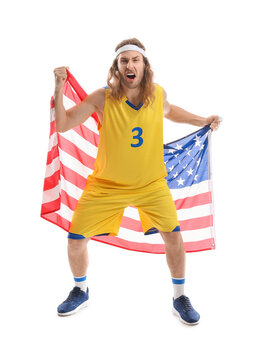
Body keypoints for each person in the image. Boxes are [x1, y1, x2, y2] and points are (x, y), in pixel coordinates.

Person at [53, 38, 221, 325]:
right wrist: (58, 90)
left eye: (135, 60)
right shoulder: (102, 97)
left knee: (174, 237)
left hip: (151, 184)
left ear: (144, 65)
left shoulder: (156, 94)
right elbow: (64, 123)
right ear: (117, 67)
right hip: (106, 185)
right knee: (75, 238)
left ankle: (179, 296)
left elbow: (171, 110)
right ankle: (80, 289)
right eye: (124, 61)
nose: (130, 65)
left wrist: (202, 120)